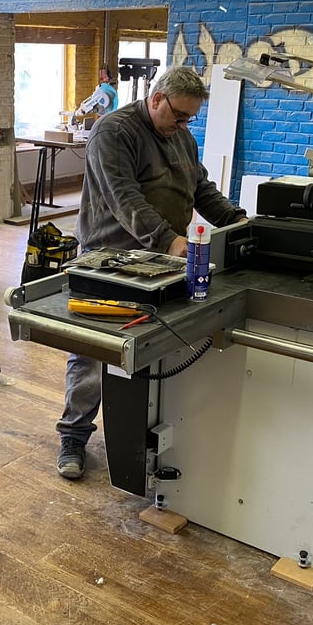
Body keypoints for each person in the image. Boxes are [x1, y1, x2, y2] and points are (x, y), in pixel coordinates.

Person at [56, 66, 247, 479]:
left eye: (189, 118)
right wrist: (169, 240)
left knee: (155, 344)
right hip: (109, 259)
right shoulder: (114, 132)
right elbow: (123, 198)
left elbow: (200, 189)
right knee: (93, 351)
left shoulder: (181, 137)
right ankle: (73, 435)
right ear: (157, 98)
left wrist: (235, 221)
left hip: (161, 261)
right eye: (179, 115)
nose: (183, 125)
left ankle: (142, 434)